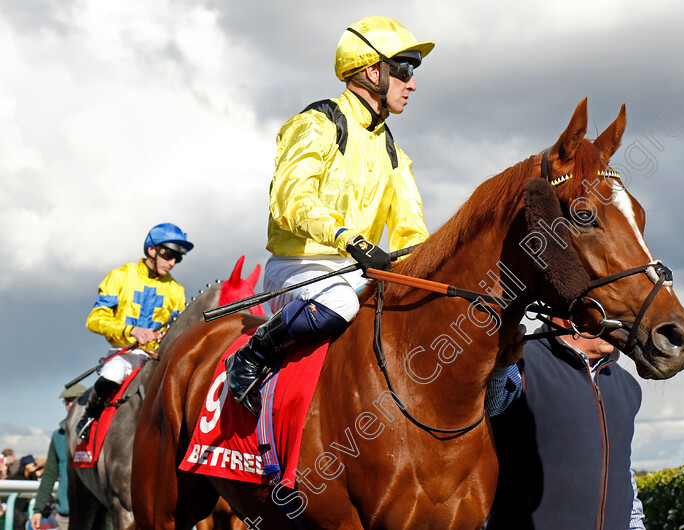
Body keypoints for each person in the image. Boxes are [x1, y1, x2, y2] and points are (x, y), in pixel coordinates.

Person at [225, 15, 433, 415]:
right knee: (341, 304)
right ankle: (253, 353)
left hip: (359, 270)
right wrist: (351, 240)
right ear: (372, 70)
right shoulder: (316, 123)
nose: (412, 83)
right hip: (300, 266)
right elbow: (290, 199)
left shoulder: (394, 153)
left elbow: (411, 231)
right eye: (403, 70)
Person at [485, 319, 646, 529]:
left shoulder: (628, 386)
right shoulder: (520, 362)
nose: (620, 323)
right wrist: (500, 368)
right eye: (610, 312)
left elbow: (624, 473)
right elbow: (491, 406)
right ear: (571, 316)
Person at [76, 223, 193, 438]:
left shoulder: (177, 291)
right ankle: (90, 415)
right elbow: (95, 320)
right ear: (152, 250)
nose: (173, 262)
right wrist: (131, 330)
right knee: (112, 375)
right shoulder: (120, 276)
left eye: (178, 258)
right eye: (169, 255)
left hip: (156, 359)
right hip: (125, 355)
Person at [30, 383, 87, 530]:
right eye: (66, 401)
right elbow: (49, 474)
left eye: (73, 400)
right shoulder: (58, 436)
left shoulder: (97, 431)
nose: (69, 405)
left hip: (95, 515)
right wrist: (38, 510)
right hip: (65, 515)